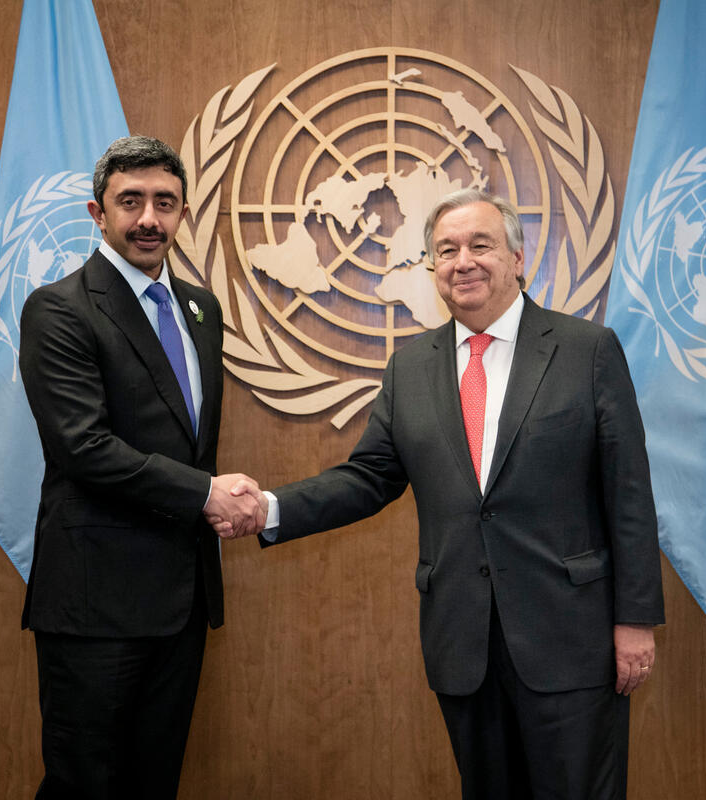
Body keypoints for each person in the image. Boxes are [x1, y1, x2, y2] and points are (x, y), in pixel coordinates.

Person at [216, 189, 664, 799]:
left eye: (481, 245)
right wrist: (268, 508)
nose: (463, 262)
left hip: (570, 639)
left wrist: (634, 620)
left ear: (517, 258)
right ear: (433, 268)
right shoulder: (411, 369)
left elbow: (628, 493)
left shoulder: (587, 350)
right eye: (447, 250)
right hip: (463, 641)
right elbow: (368, 478)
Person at [18, 135, 266, 799]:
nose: (149, 218)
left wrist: (206, 494)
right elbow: (83, 447)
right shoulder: (60, 308)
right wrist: (206, 494)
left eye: (164, 202)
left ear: (183, 212)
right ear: (98, 213)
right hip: (96, 602)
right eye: (130, 202)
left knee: (154, 784)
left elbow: (187, 439)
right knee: (84, 786)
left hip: (181, 600)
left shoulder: (200, 309)